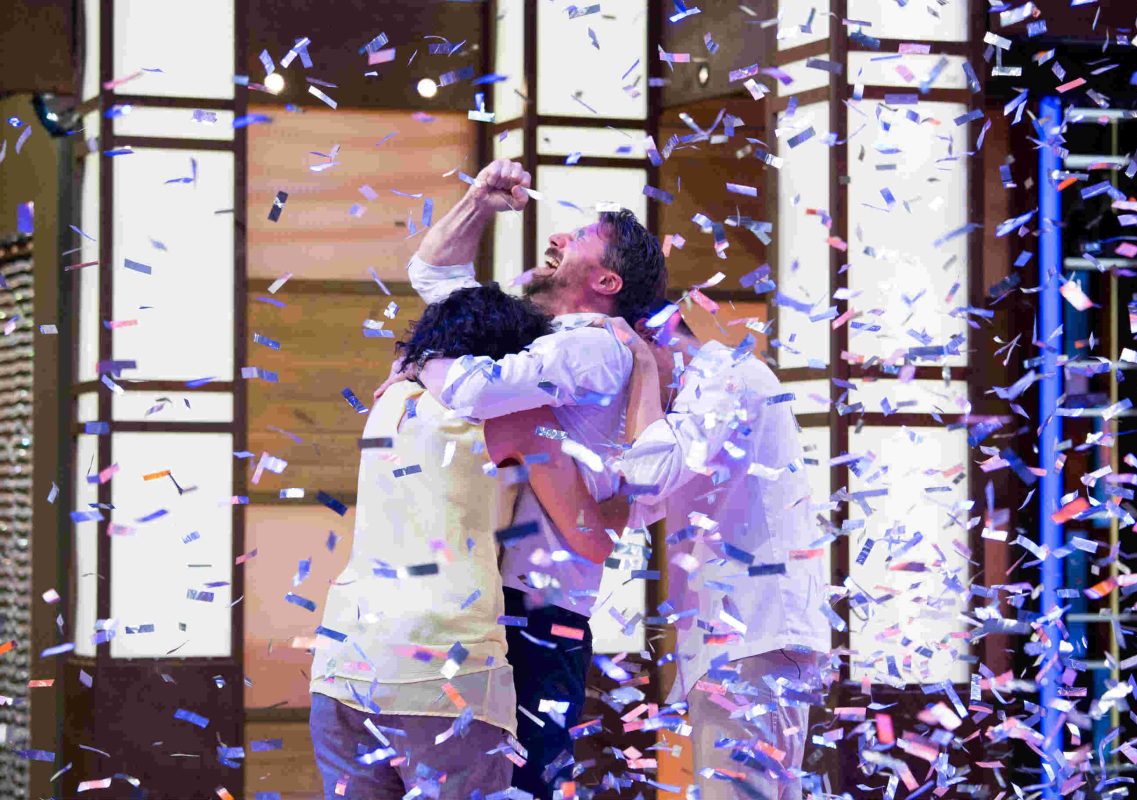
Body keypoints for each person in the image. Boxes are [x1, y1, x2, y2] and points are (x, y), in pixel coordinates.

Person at [378, 158, 667, 798]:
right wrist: (478, 201)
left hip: (541, 612)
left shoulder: (594, 345)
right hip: (485, 599)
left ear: (606, 279)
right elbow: (434, 277)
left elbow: (478, 389)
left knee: (524, 784)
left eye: (578, 237)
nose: (555, 237)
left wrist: (419, 357)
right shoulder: (540, 329)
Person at [309, 284, 624, 800]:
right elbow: (592, 538)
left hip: (343, 665)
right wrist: (632, 488)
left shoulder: (388, 400)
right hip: (447, 669)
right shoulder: (516, 417)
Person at [602, 306, 833, 800]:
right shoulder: (699, 394)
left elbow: (648, 477)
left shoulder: (723, 374)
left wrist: (643, 370)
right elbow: (634, 505)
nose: (626, 395)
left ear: (648, 337)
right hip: (741, 641)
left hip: (752, 636)